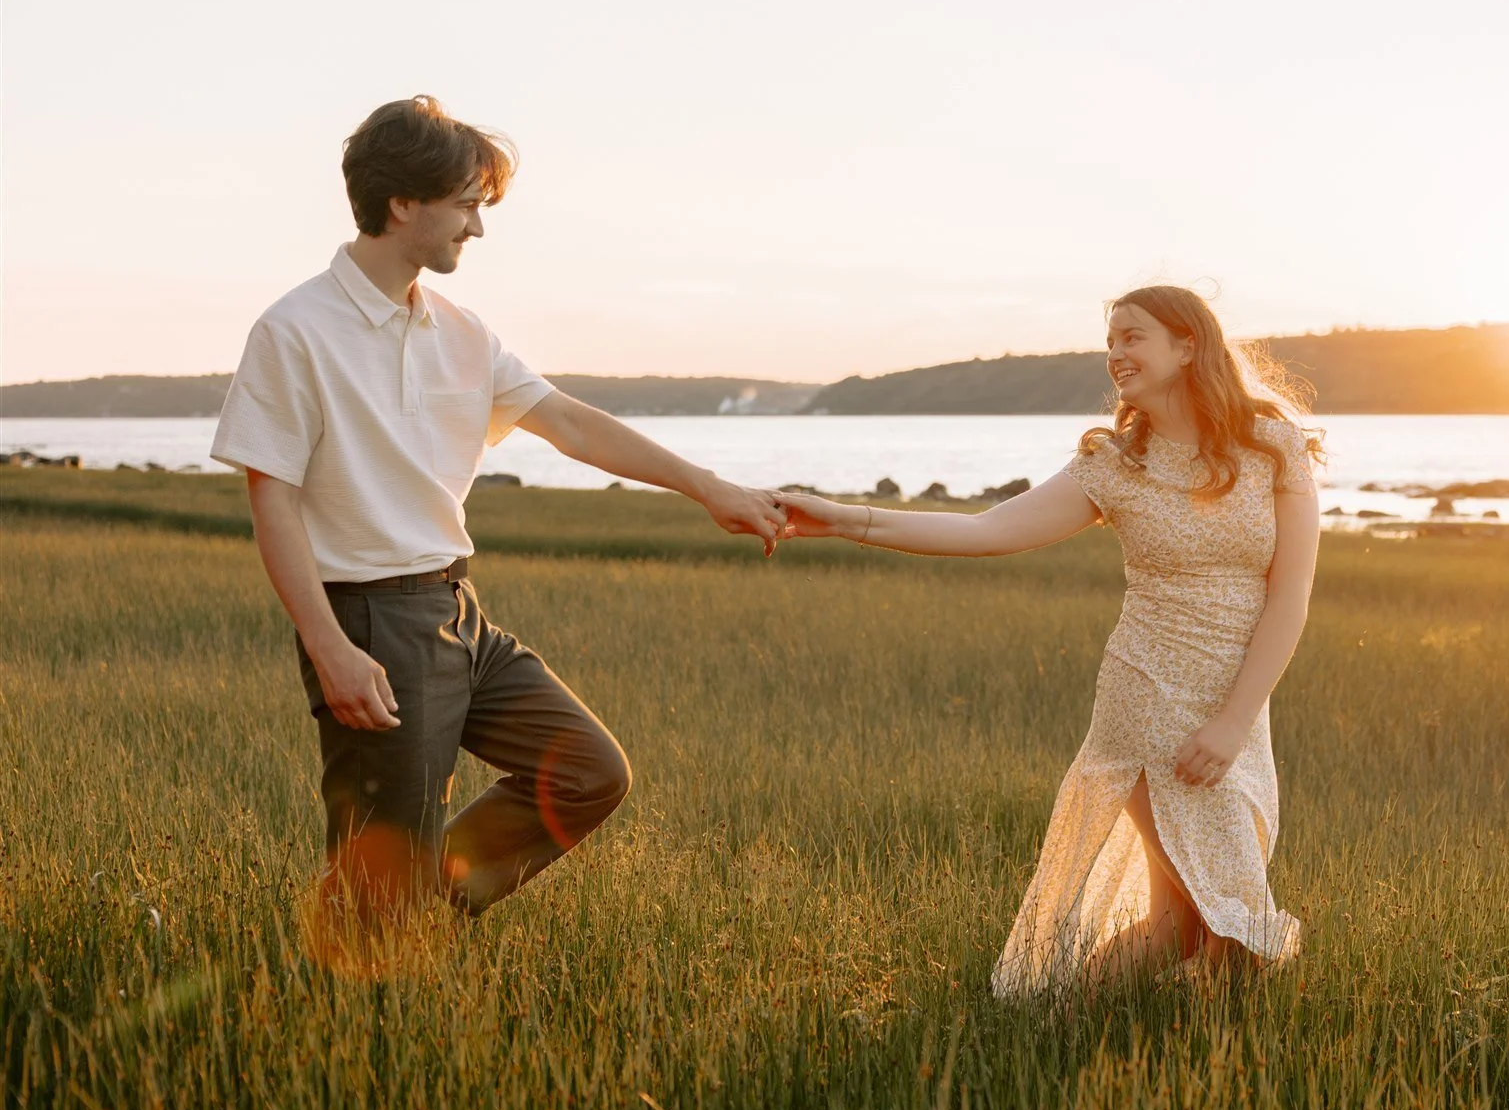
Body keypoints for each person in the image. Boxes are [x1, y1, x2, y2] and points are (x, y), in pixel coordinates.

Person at [211, 95, 786, 944]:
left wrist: (710, 489)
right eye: (465, 205)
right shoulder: (294, 331)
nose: (477, 227)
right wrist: (331, 648)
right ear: (402, 203)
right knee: (376, 884)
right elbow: (274, 504)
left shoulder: (463, 331)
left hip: (459, 613)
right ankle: (362, 954)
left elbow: (575, 425)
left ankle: (417, 913)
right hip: (370, 622)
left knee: (588, 771)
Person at [779, 286, 1322, 996]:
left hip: (1239, 709)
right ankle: (1063, 1030)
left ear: (1188, 345)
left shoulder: (1272, 446)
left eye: (1132, 337)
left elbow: (1290, 595)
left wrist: (1233, 720)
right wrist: (844, 520)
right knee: (1214, 921)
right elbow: (987, 530)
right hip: (1148, 696)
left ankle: (1084, 1033)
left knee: (1192, 924)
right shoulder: (1116, 464)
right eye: (1110, 342)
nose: (1115, 354)